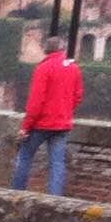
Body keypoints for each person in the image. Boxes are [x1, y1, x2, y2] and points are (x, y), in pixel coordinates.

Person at [14, 36, 84, 197]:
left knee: (25, 156)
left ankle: (16, 195)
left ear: (46, 50)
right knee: (57, 163)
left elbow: (36, 101)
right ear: (62, 50)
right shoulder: (74, 68)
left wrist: (26, 127)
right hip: (63, 124)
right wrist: (65, 111)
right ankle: (55, 200)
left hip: (41, 123)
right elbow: (78, 96)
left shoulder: (43, 68)